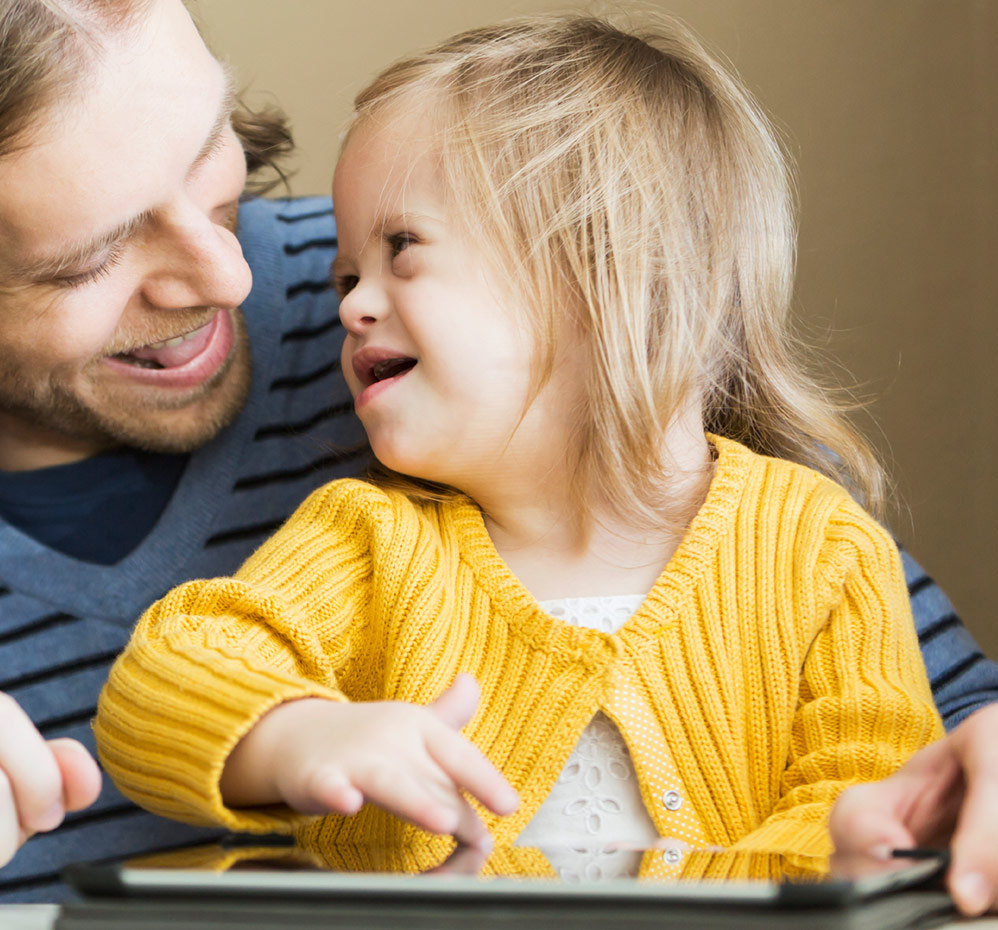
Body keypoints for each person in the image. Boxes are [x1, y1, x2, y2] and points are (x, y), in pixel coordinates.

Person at [0, 0, 998, 927]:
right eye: (94, 256)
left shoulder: (454, 326)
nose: (235, 282)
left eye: (215, 167)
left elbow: (918, 725)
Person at [96, 11, 950, 878]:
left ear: (607, 271)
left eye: (402, 249)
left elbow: (869, 800)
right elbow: (160, 682)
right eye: (348, 275)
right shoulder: (365, 540)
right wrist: (296, 731)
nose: (351, 306)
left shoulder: (821, 549)